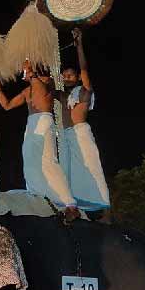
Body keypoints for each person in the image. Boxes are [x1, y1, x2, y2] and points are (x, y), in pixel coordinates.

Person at [0, 60, 79, 219]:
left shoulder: (47, 81)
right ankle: (38, 195)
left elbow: (43, 92)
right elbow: (7, 105)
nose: (23, 74)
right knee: (30, 162)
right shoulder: (27, 90)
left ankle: (70, 204)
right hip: (31, 125)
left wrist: (31, 72)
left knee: (48, 161)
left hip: (44, 121)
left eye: (25, 71)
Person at [57, 28, 110, 214]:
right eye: (64, 75)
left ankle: (100, 208)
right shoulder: (62, 95)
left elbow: (84, 69)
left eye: (71, 74)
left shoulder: (84, 91)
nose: (66, 77)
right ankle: (70, 206)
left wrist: (79, 46)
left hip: (80, 132)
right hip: (64, 136)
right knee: (66, 172)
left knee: (89, 166)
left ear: (78, 77)